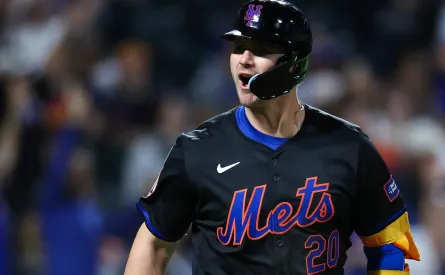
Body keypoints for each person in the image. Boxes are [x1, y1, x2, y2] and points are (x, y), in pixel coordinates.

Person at [124, 1, 421, 274]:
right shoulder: (198, 150)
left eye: (261, 49)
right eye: (238, 47)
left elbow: (391, 245)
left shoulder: (349, 146)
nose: (244, 60)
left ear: (294, 64)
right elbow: (153, 244)